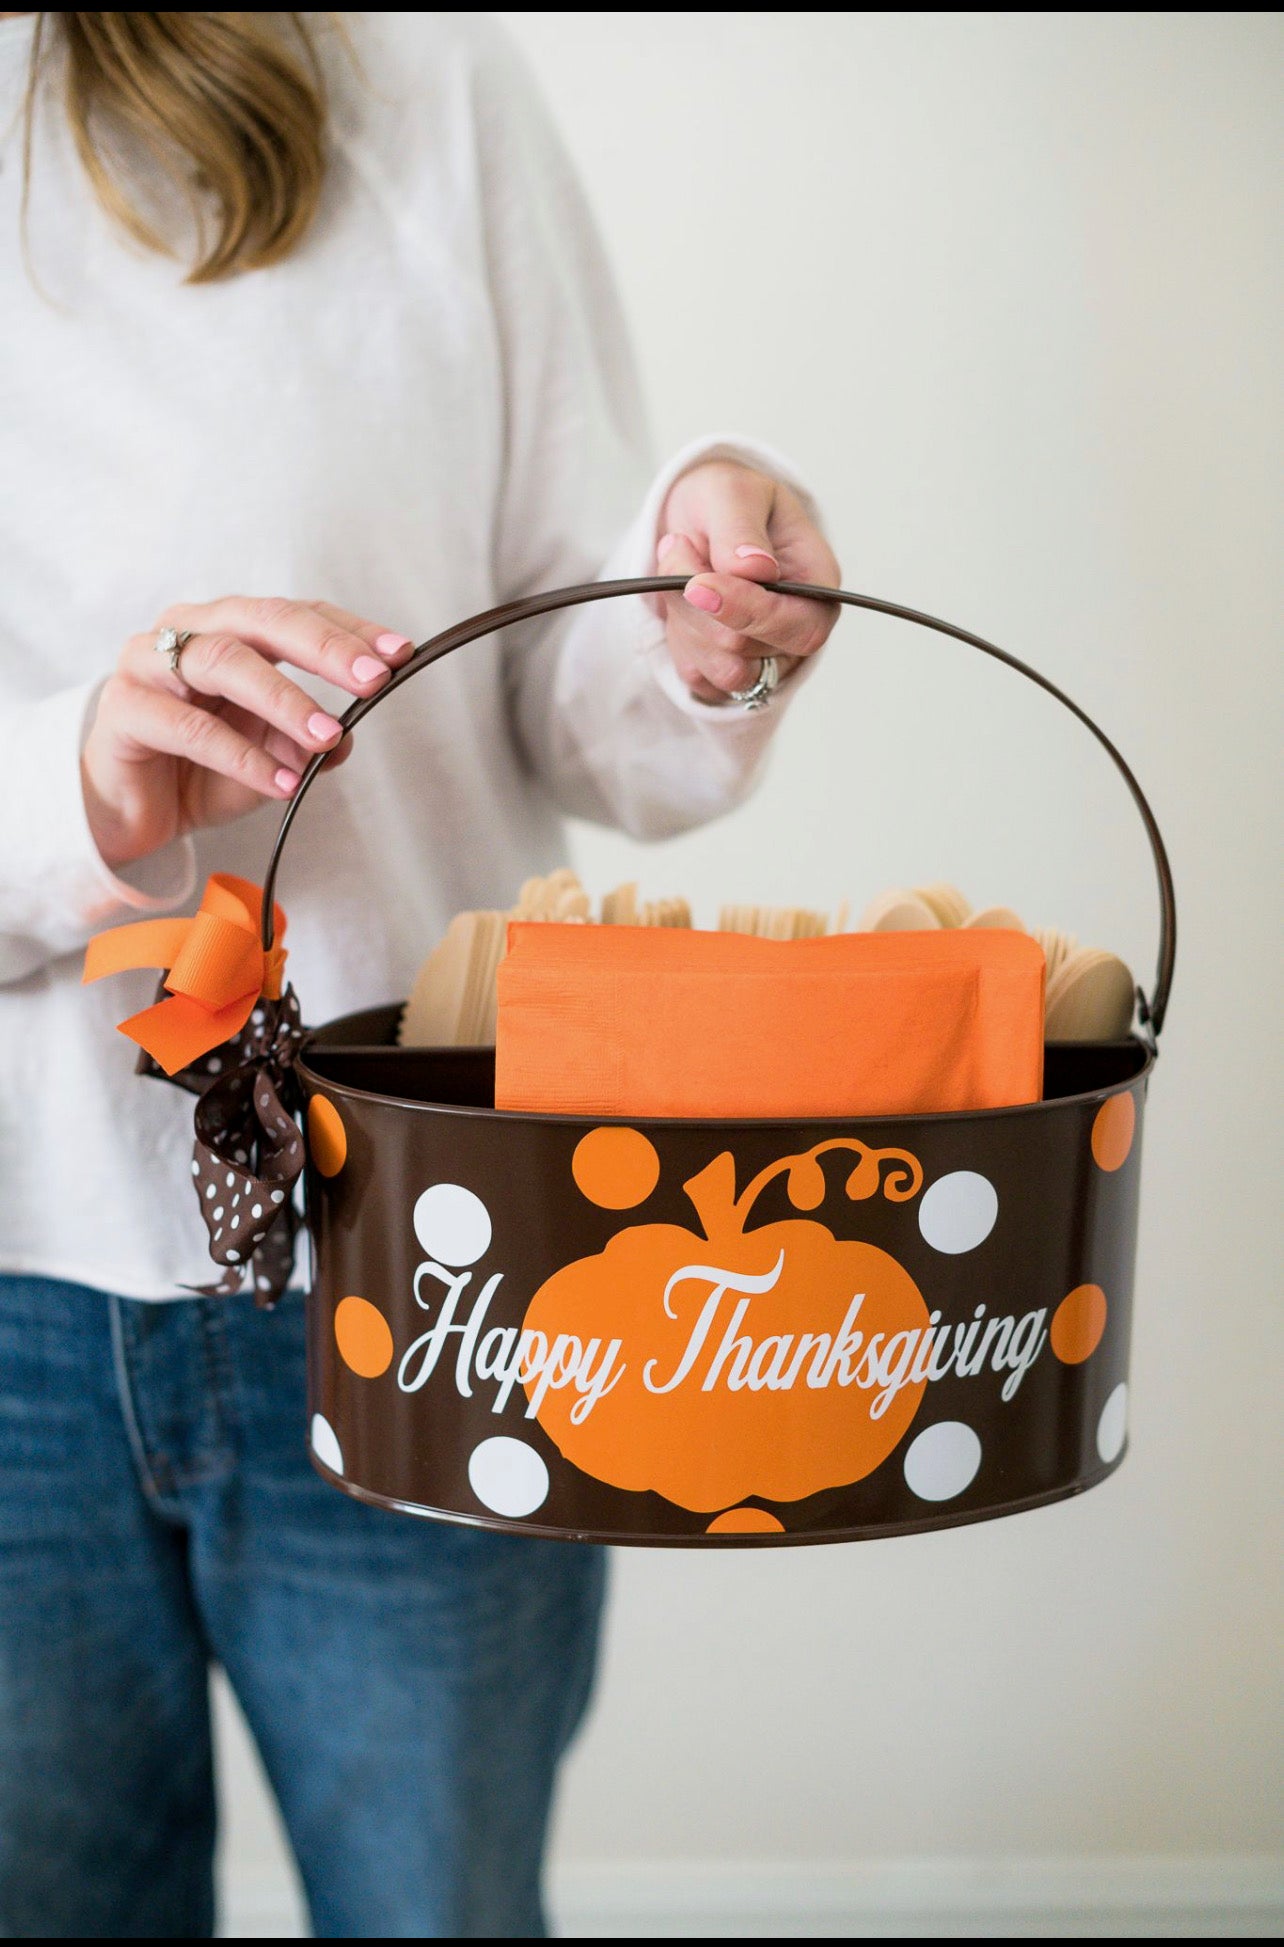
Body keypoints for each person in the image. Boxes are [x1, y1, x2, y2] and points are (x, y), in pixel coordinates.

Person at [0, 11, 839, 1937]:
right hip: (13, 1282)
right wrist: (83, 782)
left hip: (439, 1245)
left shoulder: (435, 78)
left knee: (443, 1905)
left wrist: (703, 619)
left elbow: (569, 683)